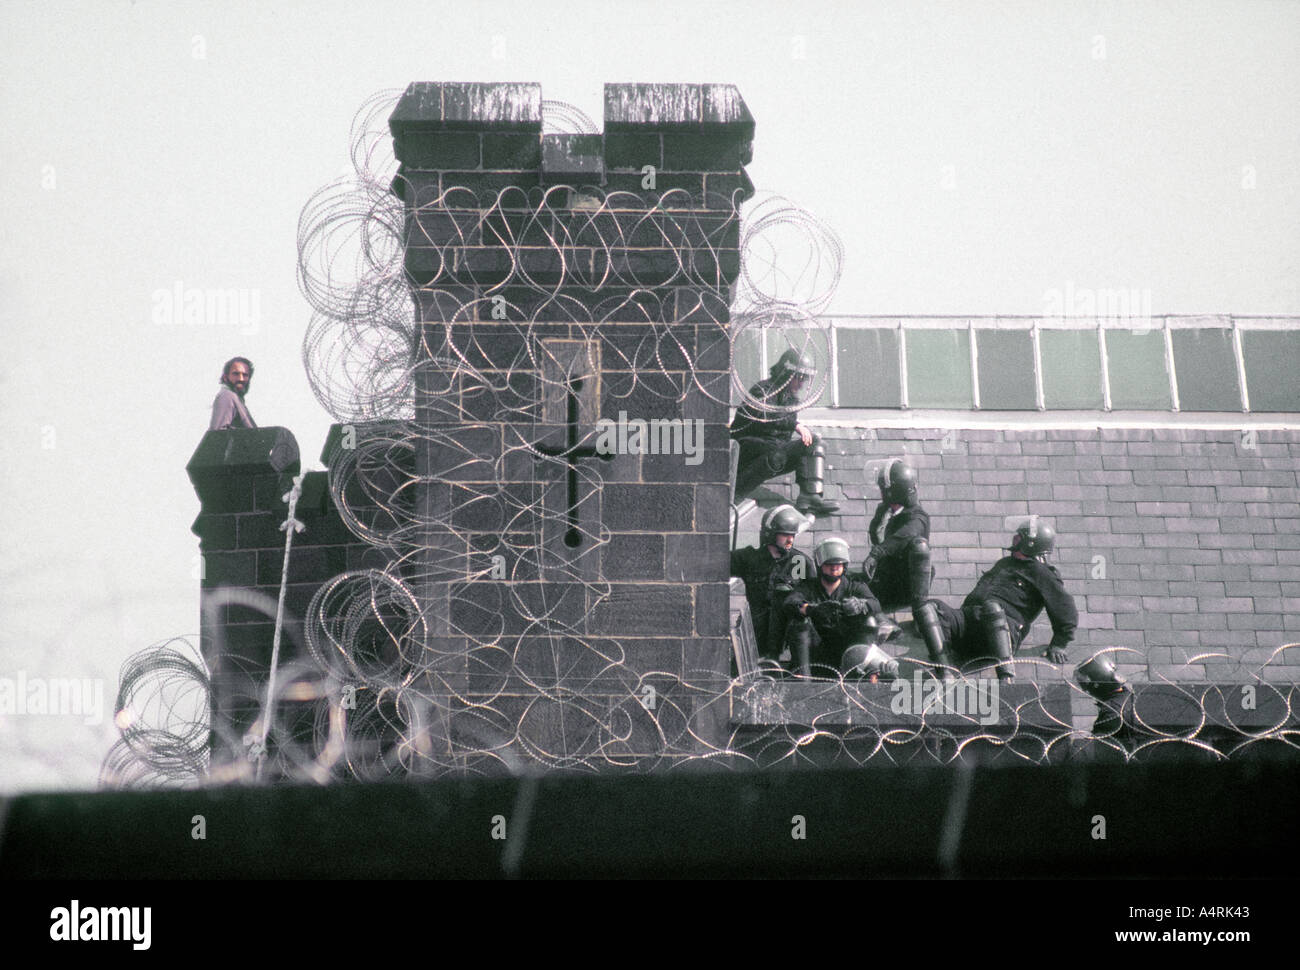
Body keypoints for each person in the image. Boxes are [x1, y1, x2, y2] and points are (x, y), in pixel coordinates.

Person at [914, 517, 1077, 683]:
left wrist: (1059, 643)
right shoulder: (1005, 563)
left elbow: (1065, 606)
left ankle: (1006, 679)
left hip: (1000, 632)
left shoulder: (1042, 572)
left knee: (992, 607)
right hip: (969, 624)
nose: (1015, 538)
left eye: (1020, 536)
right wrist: (928, 623)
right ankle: (946, 670)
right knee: (930, 607)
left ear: (1031, 543)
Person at [730, 349, 839, 515]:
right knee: (778, 453)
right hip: (745, 449)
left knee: (813, 444)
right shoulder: (762, 390)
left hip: (771, 452)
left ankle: (810, 496)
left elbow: (784, 438)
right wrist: (795, 425)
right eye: (799, 377)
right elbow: (765, 414)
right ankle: (736, 493)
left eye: (805, 379)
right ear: (786, 373)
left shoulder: (791, 401)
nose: (801, 383)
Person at [783, 537, 888, 678]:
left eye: (838, 564)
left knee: (870, 621)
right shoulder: (809, 586)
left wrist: (860, 604)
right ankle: (803, 677)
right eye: (829, 564)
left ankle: (864, 673)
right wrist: (810, 609)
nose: (834, 568)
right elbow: (790, 602)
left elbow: (875, 604)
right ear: (820, 565)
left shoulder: (854, 585)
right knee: (798, 623)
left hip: (847, 649)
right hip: (816, 650)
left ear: (844, 565)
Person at [730, 505, 815, 666]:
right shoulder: (750, 559)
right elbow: (714, 563)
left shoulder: (799, 562)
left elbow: (813, 598)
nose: (790, 540)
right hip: (755, 634)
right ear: (770, 534)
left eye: (792, 535)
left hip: (788, 638)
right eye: (785, 535)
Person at [859, 459, 935, 614]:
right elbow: (876, 535)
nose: (881, 493)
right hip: (883, 577)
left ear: (892, 492)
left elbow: (904, 536)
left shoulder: (918, 517)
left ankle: (921, 613)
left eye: (883, 489)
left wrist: (876, 554)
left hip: (901, 586)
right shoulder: (885, 511)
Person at [209, 357, 257, 430]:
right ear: (225, 377)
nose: (241, 379)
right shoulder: (226, 396)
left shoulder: (237, 399)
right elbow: (219, 433)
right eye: (236, 374)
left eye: (245, 375)